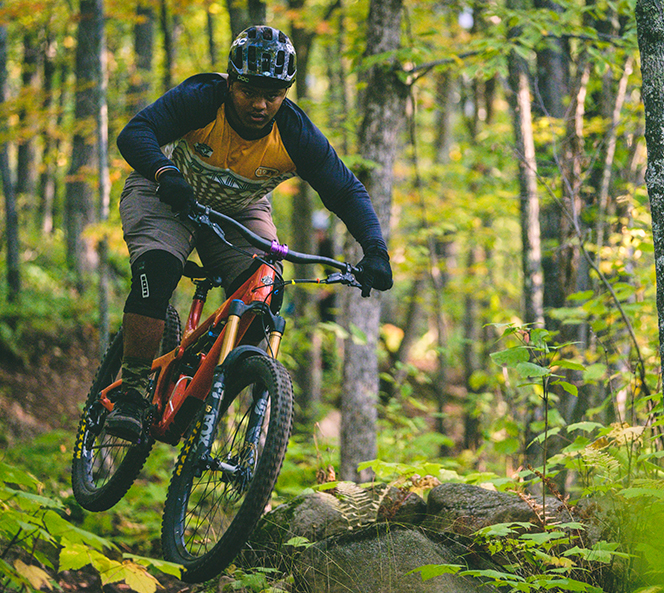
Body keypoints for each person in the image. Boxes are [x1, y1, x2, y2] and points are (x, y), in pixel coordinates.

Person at [106, 25, 393, 442]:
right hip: (165, 192)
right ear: (231, 82)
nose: (260, 105)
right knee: (158, 273)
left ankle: (201, 386)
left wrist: (376, 250)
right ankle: (132, 392)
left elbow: (346, 190)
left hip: (238, 211)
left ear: (285, 93)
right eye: (249, 92)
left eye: (273, 95)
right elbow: (135, 132)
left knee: (265, 293)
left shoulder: (295, 132)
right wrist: (164, 171)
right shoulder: (204, 98)